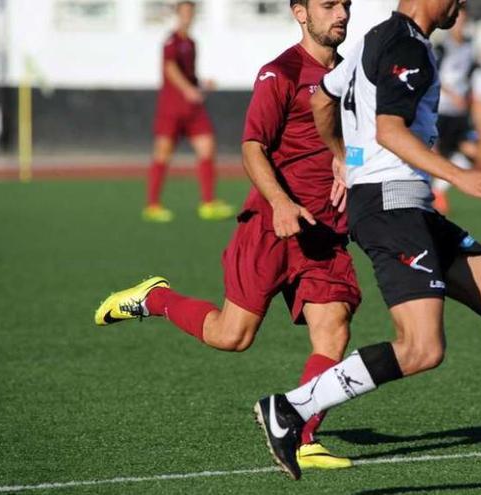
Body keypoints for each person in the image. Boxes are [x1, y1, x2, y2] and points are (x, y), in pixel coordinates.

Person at [252, 0, 481, 481]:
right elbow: (389, 130)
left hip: (407, 207)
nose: (462, 5)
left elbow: (323, 97)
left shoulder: (378, 38)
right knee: (422, 347)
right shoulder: (405, 44)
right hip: (391, 210)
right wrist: (459, 177)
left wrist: (342, 156)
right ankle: (292, 408)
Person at [97, 0, 360, 469]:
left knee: (333, 331)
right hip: (271, 226)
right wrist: (280, 202)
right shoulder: (278, 73)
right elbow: (251, 148)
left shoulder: (354, 73)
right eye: (328, 5)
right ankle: (153, 298)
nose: (340, 13)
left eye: (346, 4)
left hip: (324, 231)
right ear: (300, 13)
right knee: (231, 336)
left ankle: (301, 436)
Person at [144, 1, 235, 222]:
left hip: (192, 108)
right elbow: (171, 68)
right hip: (171, 107)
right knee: (163, 153)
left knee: (207, 146)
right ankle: (153, 205)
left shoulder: (192, 43)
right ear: (177, 15)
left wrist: (202, 84)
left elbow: (189, 74)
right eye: (184, 13)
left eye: (190, 13)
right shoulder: (171, 41)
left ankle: (208, 203)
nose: (187, 17)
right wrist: (188, 90)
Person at [431, 6, 476, 214]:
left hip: (461, 112)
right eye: (457, 20)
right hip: (442, 110)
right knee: (436, 156)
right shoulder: (442, 48)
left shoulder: (469, 47)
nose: (460, 25)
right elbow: (433, 76)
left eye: (464, 21)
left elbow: (470, 76)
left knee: (471, 154)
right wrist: (453, 95)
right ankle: (431, 195)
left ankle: (438, 190)